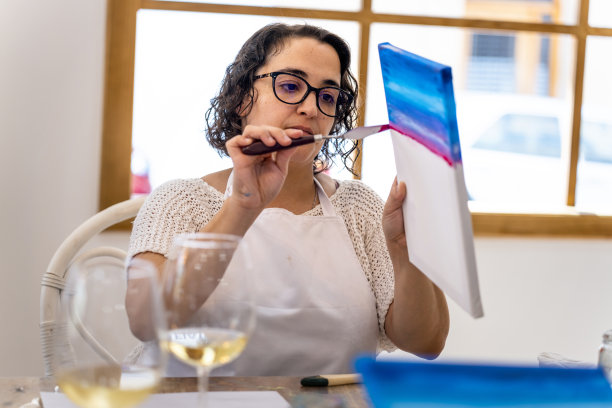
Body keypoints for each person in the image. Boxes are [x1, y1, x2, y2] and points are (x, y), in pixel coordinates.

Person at [126, 23, 449, 376]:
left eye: (328, 96)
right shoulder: (180, 201)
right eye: (291, 86)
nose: (311, 108)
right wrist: (242, 206)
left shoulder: (360, 207)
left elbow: (425, 343)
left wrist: (404, 249)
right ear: (242, 98)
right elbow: (145, 321)